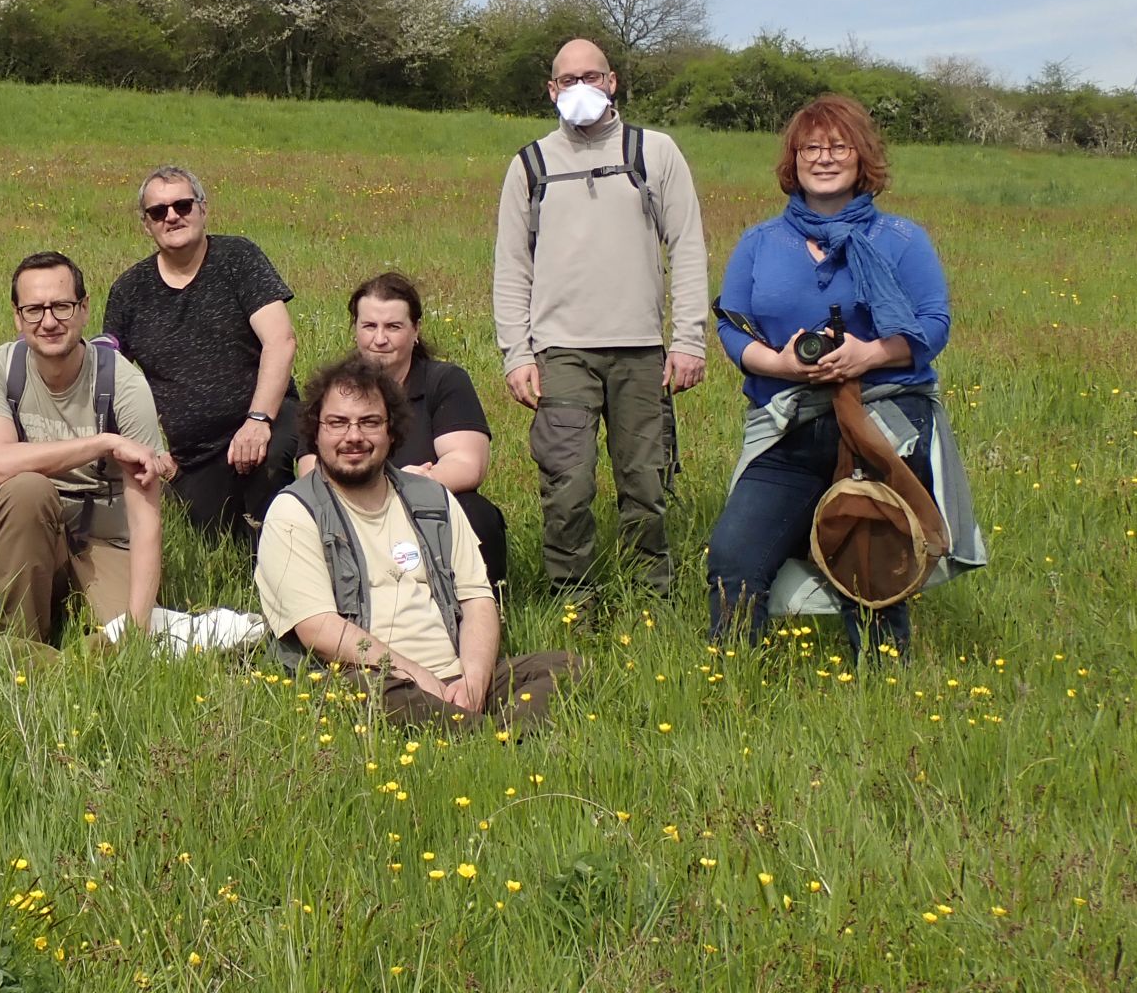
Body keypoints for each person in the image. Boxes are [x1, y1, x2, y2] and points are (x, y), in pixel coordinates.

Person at [707, 94, 983, 656]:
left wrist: (868, 355)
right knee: (734, 558)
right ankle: (732, 682)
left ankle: (883, 687)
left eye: (839, 146)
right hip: (787, 424)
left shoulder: (902, 240)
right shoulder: (760, 243)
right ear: (794, 159)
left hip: (880, 420)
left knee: (873, 558)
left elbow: (933, 325)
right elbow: (733, 330)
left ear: (862, 158)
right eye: (811, 147)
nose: (824, 158)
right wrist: (781, 363)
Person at [492, 38, 708, 602]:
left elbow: (687, 248)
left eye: (592, 76)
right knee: (567, 487)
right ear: (551, 90)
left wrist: (688, 342)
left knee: (646, 486)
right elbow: (511, 266)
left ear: (612, 82)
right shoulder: (530, 166)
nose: (580, 88)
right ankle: (574, 602)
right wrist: (516, 354)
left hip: (641, 352)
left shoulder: (654, 153)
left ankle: (650, 598)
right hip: (560, 354)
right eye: (568, 80)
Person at [257, 356, 579, 729]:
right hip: (376, 679)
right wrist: (412, 674)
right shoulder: (294, 512)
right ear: (316, 432)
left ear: (392, 431)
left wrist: (474, 681)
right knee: (369, 695)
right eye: (338, 423)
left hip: (455, 677)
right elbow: (318, 627)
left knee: (569, 668)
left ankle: (475, 726)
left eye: (370, 422)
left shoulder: (433, 499)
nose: (354, 436)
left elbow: (476, 598)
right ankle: (500, 738)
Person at [0, 252, 173, 646]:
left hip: (108, 542)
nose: (48, 322)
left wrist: (136, 628)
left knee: (130, 636)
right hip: (36, 533)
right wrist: (102, 442)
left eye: (61, 307)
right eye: (33, 310)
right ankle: (23, 645)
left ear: (84, 310)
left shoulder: (123, 383)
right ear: (17, 317)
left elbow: (146, 516)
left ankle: (90, 646)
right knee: (24, 488)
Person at [103, 166, 297, 543]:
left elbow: (281, 341)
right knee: (217, 540)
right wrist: (149, 448)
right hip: (193, 454)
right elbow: (111, 380)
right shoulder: (129, 291)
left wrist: (257, 420)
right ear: (146, 225)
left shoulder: (239, 258)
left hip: (266, 421)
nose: (172, 216)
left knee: (272, 498)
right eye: (158, 212)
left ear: (202, 209)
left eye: (182, 205)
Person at [298, 273, 509, 584]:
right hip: (353, 510)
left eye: (393, 327)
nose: (379, 339)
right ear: (355, 329)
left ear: (416, 331)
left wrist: (411, 488)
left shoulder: (445, 381)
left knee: (476, 513)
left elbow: (468, 465)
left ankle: (481, 605)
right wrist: (385, 490)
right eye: (369, 326)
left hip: (428, 509)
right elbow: (310, 471)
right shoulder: (331, 389)